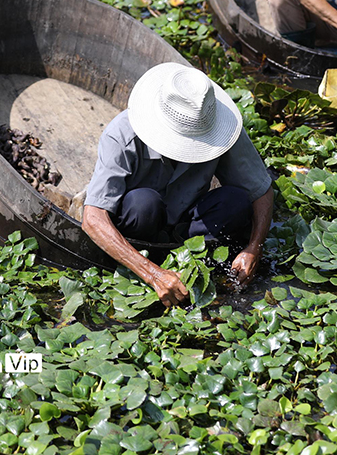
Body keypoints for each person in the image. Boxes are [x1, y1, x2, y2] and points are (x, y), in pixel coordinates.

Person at [79, 62, 274, 307]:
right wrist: (153, 274)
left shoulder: (219, 126)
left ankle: (184, 252)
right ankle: (146, 258)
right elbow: (93, 218)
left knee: (236, 202)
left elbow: (261, 190)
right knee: (144, 203)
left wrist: (254, 247)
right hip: (138, 223)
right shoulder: (122, 134)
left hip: (187, 224)